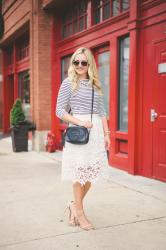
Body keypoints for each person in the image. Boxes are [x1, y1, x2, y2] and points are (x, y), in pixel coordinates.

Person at [56, 47, 110, 231]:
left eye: (83, 62)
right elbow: (59, 111)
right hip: (79, 131)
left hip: (96, 134)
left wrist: (107, 133)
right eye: (76, 62)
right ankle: (80, 212)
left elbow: (102, 111)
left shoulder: (95, 84)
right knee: (79, 174)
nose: (79, 65)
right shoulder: (68, 83)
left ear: (89, 64)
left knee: (93, 172)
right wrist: (79, 122)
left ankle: (73, 204)